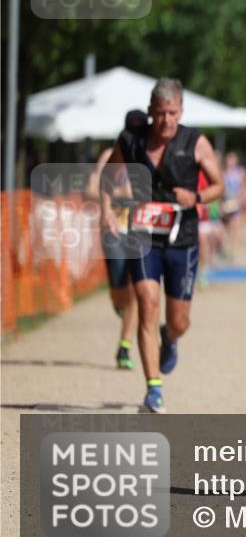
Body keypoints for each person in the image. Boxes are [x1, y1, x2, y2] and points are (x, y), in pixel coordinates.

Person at [100, 78, 223, 413]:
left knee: (179, 321)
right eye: (161, 113)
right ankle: (153, 388)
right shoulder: (131, 140)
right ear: (151, 110)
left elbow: (218, 186)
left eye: (173, 113)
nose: (167, 119)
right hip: (142, 236)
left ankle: (170, 338)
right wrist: (108, 211)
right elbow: (109, 177)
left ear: (181, 111)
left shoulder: (196, 142)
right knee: (147, 304)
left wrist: (196, 197)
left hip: (182, 240)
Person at [84, 109, 147, 370]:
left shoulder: (149, 156)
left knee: (136, 289)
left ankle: (124, 346)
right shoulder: (109, 157)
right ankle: (118, 304)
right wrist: (122, 194)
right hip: (113, 229)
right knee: (119, 292)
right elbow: (89, 190)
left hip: (140, 230)